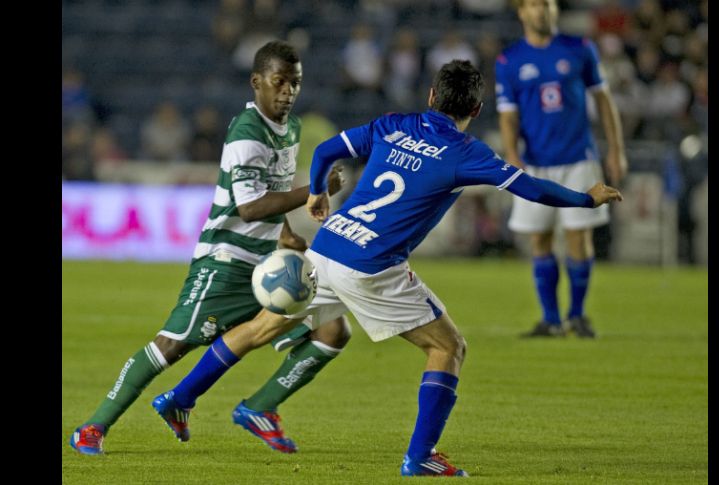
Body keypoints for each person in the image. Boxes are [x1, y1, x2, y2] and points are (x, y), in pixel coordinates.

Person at [151, 60, 622, 476]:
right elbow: (531, 189)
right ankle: (420, 456)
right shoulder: (468, 154)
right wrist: (586, 197)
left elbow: (325, 152)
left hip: (330, 246)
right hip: (373, 267)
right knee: (448, 347)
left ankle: (178, 398)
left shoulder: (394, 124)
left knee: (260, 328)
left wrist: (317, 192)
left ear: (432, 96)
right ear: (475, 112)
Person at [69, 40, 349, 455]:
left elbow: (271, 189)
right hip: (226, 259)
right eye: (280, 82)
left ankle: (256, 406)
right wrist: (314, 190)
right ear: (257, 82)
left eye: (296, 83)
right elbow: (250, 206)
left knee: (333, 329)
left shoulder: (290, 128)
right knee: (172, 345)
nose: (288, 91)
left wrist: (287, 233)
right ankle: (92, 426)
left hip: (270, 259)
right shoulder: (247, 132)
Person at [496, 0, 628, 338]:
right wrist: (512, 154)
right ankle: (551, 319)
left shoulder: (580, 48)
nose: (544, 11)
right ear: (522, 12)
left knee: (578, 239)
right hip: (535, 163)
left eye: (549, 4)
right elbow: (508, 114)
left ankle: (577, 316)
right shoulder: (509, 60)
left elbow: (603, 100)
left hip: (578, 158)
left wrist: (616, 150)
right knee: (539, 240)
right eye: (536, 5)